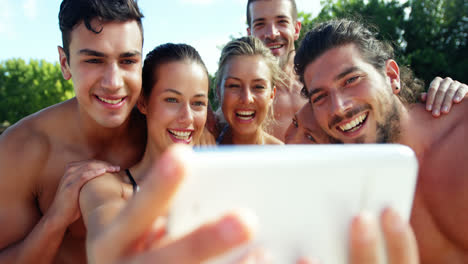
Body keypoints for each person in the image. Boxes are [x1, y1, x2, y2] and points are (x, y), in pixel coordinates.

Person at [295, 19, 468, 263]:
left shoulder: (462, 130)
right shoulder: (348, 196)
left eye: (351, 80)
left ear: (391, 76)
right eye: (320, 97)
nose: (339, 107)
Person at [79, 43, 257, 263]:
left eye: (198, 103)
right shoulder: (105, 187)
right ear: (143, 102)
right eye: (172, 100)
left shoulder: (226, 186)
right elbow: (105, 236)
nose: (187, 117)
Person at [0, 1, 147, 263]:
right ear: (65, 63)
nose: (113, 82)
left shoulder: (165, 129)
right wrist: (56, 219)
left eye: (127, 60)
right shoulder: (19, 149)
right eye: (94, 60)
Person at [246, 0, 467, 141]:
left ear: (296, 28)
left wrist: (453, 94)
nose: (272, 33)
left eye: (351, 80)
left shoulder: (326, 70)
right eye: (260, 24)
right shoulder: (245, 101)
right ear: (249, 32)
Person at [214, 36, 283, 145]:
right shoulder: (198, 149)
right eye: (234, 86)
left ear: (271, 95)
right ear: (219, 92)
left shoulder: (282, 157)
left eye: (258, 87)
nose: (246, 99)